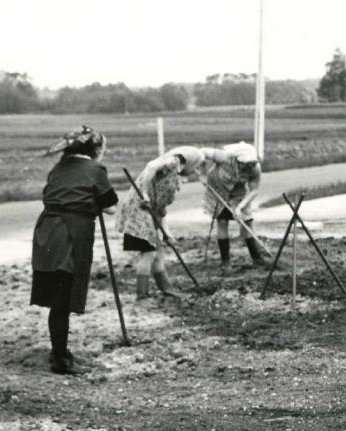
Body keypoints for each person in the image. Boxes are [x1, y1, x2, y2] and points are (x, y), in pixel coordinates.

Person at [30, 125, 119, 375]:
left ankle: (60, 352)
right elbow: (111, 207)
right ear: (95, 149)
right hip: (71, 234)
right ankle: (60, 359)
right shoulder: (95, 169)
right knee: (63, 300)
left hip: (46, 232)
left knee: (57, 298)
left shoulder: (58, 168)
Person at [116, 146, 209, 299]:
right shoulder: (173, 162)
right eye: (196, 165)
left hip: (150, 212)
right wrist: (145, 193)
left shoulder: (175, 173)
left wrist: (166, 232)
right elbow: (151, 166)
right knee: (149, 253)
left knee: (157, 254)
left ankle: (166, 289)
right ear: (191, 161)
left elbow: (161, 207)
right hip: (139, 210)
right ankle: (142, 296)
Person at [203, 141, 269, 273]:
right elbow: (201, 152)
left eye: (251, 163)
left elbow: (254, 190)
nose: (249, 166)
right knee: (222, 221)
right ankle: (225, 262)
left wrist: (239, 207)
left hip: (238, 192)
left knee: (247, 222)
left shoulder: (255, 168)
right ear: (237, 160)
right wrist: (201, 173)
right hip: (218, 187)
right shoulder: (223, 157)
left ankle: (257, 258)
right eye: (245, 163)